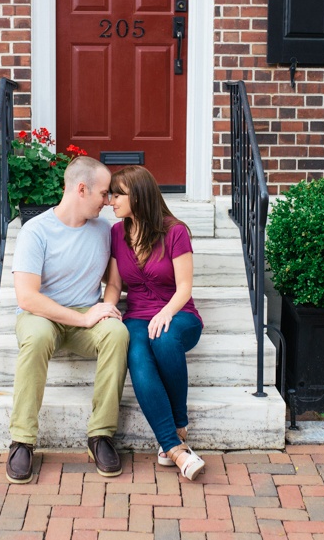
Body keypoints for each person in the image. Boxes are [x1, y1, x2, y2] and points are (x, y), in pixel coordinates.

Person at [6, 155, 128, 484]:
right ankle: (22, 440)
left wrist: (106, 307)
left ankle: (100, 435)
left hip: (84, 314)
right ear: (82, 189)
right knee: (38, 337)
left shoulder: (106, 230)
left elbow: (113, 282)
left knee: (117, 333)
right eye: (104, 194)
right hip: (40, 315)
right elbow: (27, 297)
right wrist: (85, 319)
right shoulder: (36, 231)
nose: (108, 201)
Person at [102, 166, 205, 481]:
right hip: (136, 314)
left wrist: (166, 313)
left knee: (163, 338)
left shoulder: (175, 231)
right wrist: (106, 309)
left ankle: (178, 423)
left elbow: (184, 287)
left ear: (139, 194)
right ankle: (175, 447)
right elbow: (116, 286)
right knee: (136, 352)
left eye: (118, 194)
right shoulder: (117, 232)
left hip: (178, 312)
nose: (111, 201)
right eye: (110, 194)